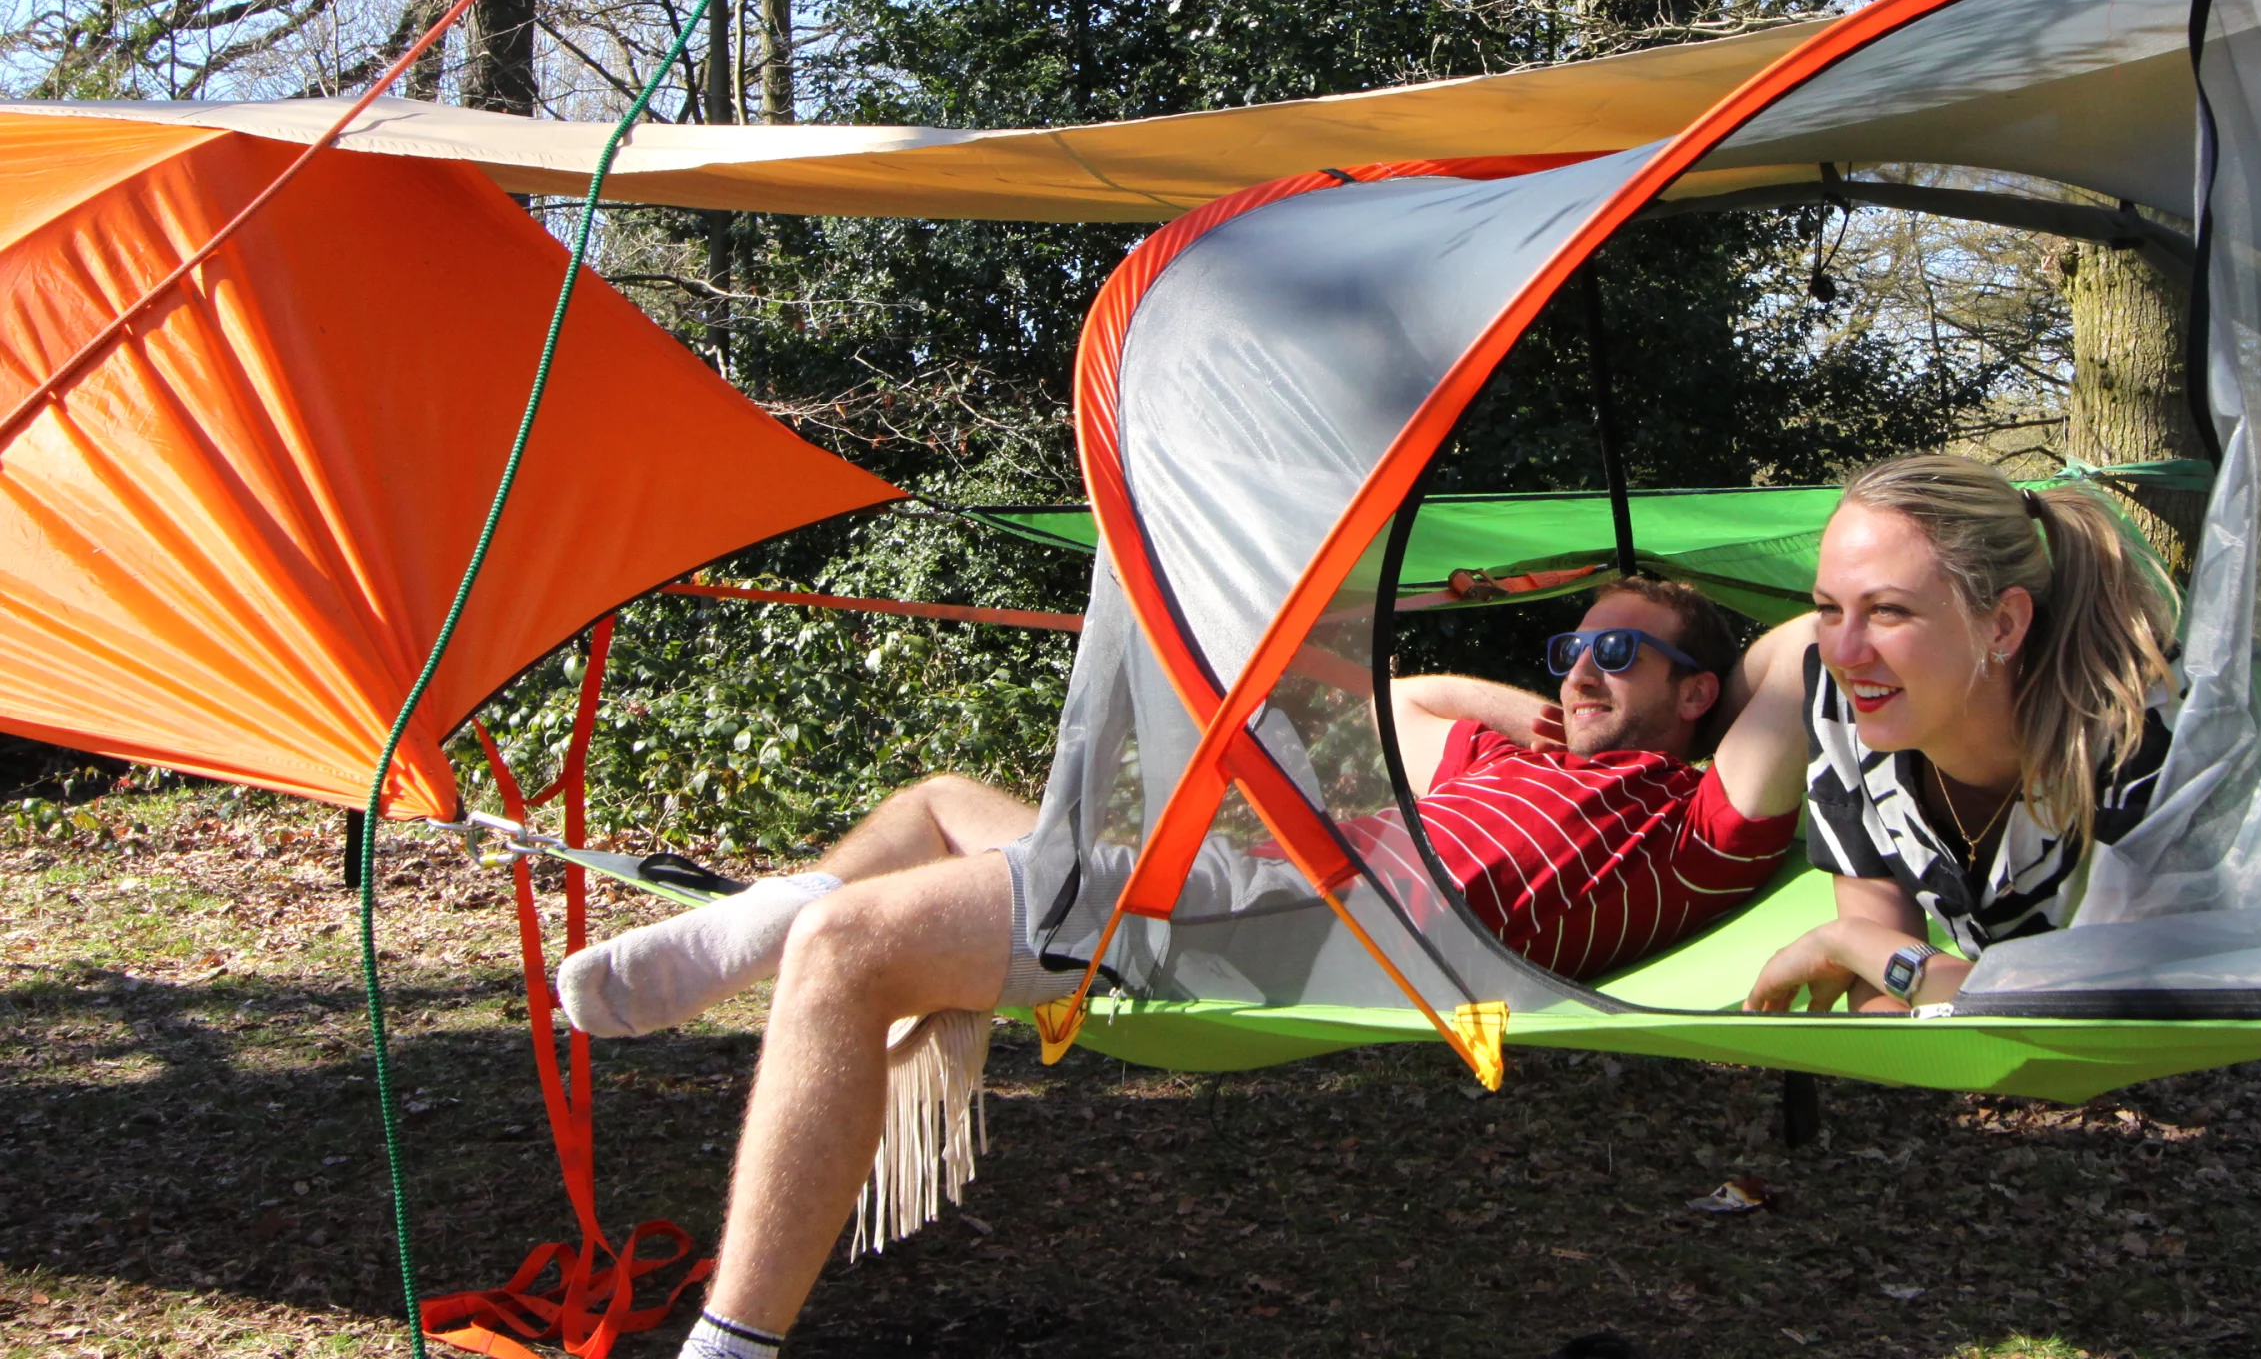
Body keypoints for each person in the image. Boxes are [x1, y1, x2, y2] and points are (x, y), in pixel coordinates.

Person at [558, 577, 1806, 1359]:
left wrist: (1725, 665)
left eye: (1618, 656)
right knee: (937, 800)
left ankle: (732, 1340)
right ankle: (759, 921)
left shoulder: (1692, 825)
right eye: (1568, 652)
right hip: (1240, 883)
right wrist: (1534, 689)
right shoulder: (1504, 764)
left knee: (851, 951)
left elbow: (1803, 649)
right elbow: (1401, 694)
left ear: (1700, 695)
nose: (1580, 672)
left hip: (1320, 930)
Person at [1737, 453, 2177, 1016]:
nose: (1845, 653)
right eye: (1828, 608)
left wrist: (1848, 945)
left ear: (2003, 623)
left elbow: (2111, 1010)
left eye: (1889, 610)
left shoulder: (2138, 725)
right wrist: (1882, 975)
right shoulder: (1845, 703)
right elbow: (1880, 975)